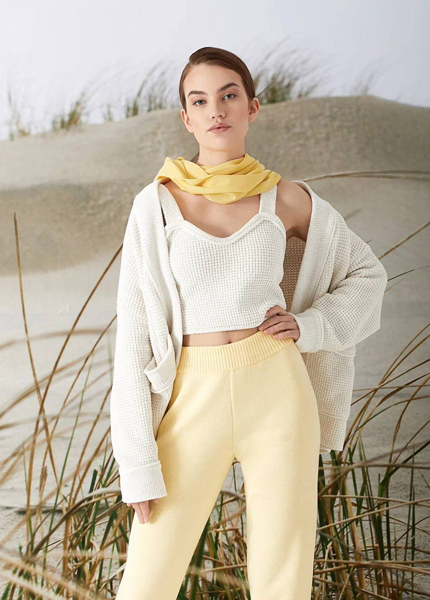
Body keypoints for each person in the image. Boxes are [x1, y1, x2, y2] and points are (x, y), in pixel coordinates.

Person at [111, 47, 388, 599]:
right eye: (200, 101)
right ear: (186, 118)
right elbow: (134, 339)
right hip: (192, 393)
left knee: (283, 576)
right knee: (146, 580)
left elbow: (367, 274)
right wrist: (136, 461)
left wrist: (310, 325)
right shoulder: (155, 204)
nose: (216, 110)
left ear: (252, 107)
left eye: (229, 95)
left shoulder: (285, 198)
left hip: (277, 387)